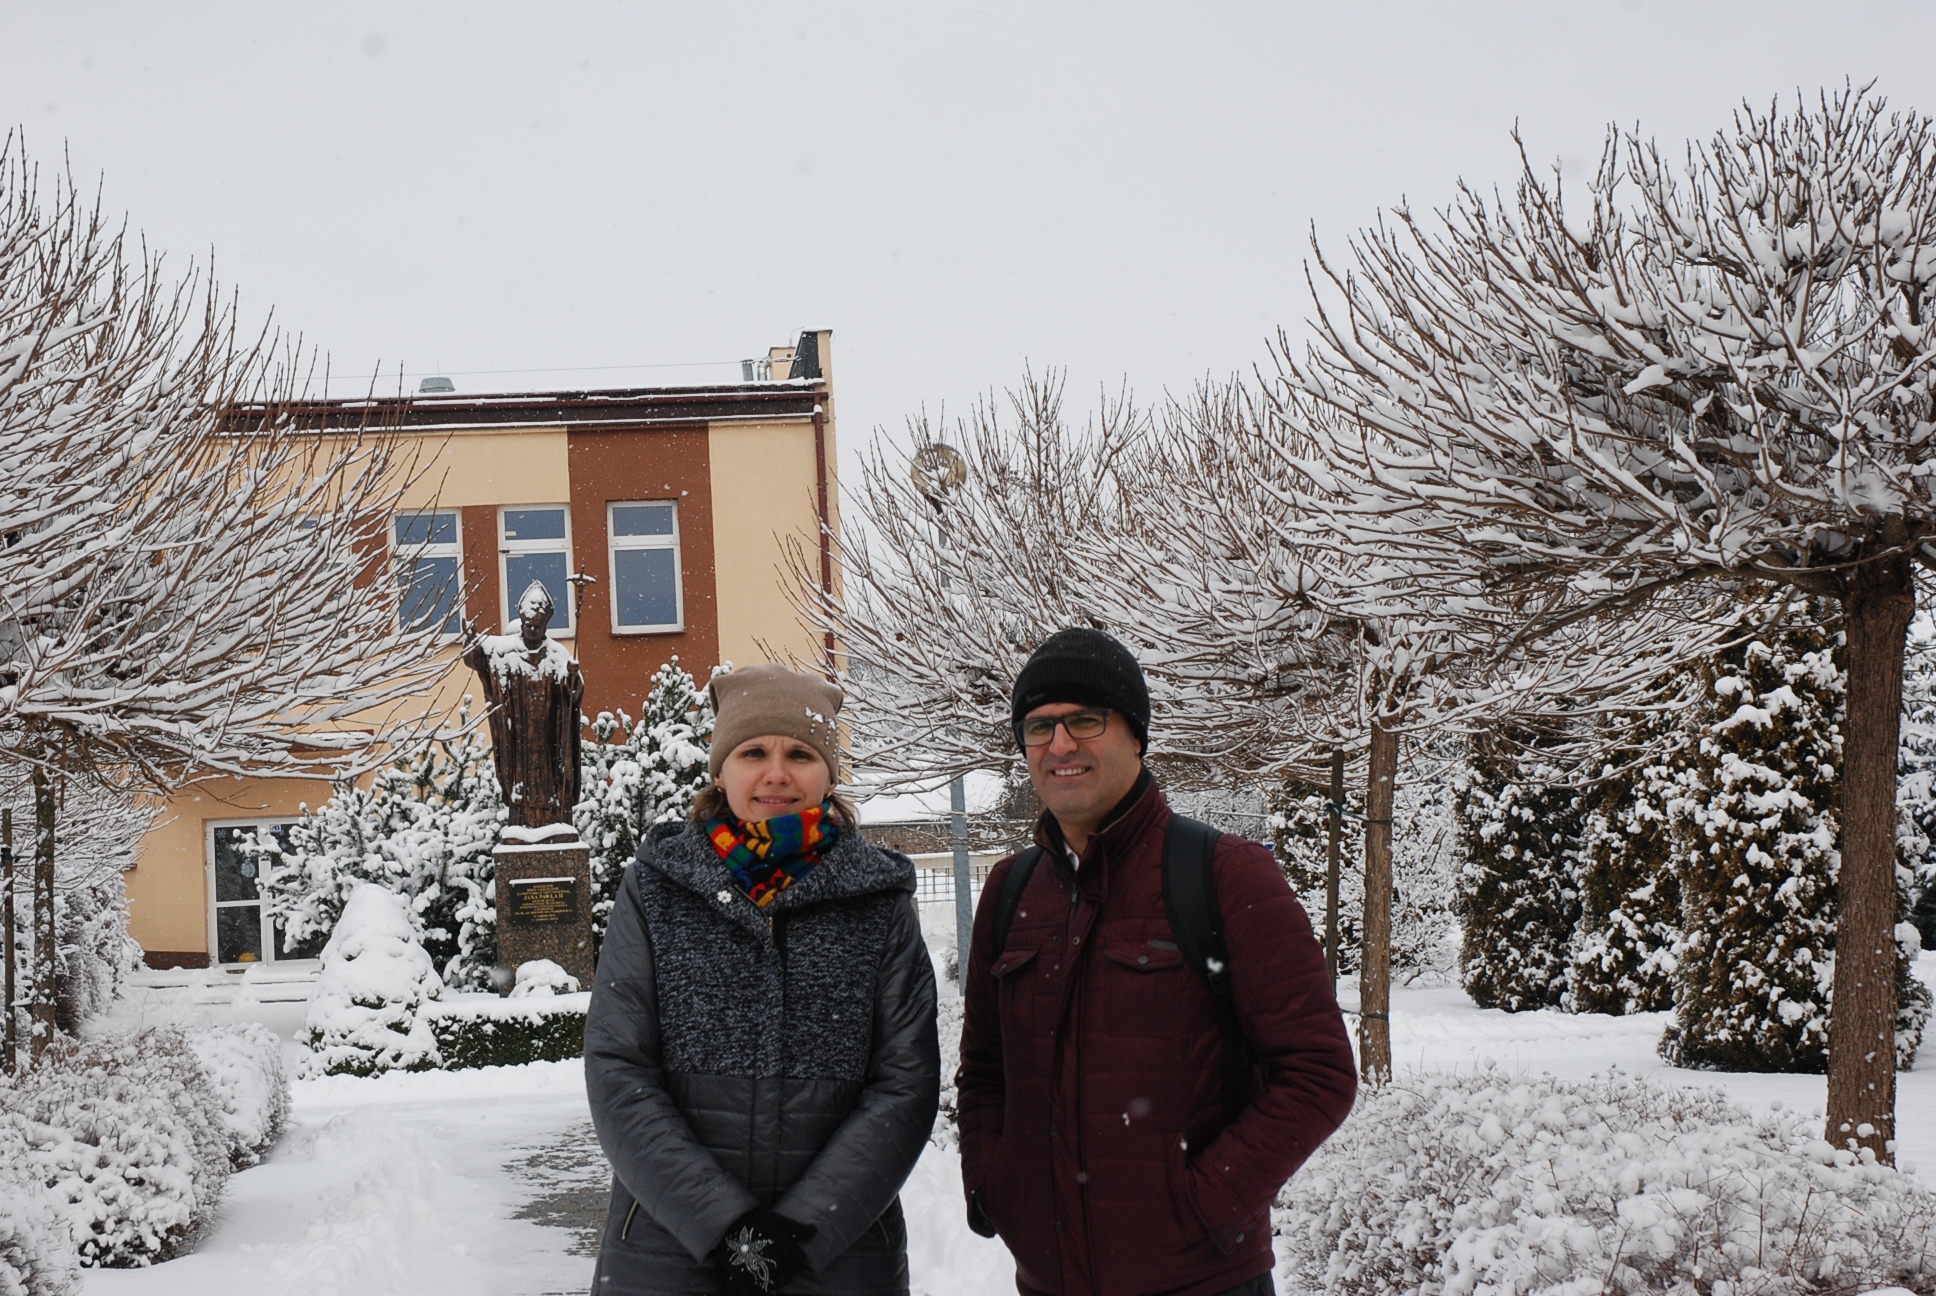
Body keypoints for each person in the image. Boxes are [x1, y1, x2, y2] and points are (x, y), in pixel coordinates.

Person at [956, 628, 1357, 1296]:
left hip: (1202, 1282)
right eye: (1039, 727)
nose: (1060, 745)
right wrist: (994, 1186)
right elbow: (985, 1070)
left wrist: (1204, 1205)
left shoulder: (1224, 873)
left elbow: (1317, 1072)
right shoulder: (1011, 891)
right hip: (1049, 1281)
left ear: (1136, 736)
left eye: (1085, 720)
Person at [586, 663, 940, 1296]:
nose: (777, 773)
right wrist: (723, 1226)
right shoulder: (656, 889)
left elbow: (904, 1083)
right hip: (667, 1256)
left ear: (829, 775)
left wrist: (802, 1231)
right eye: (753, 752)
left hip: (839, 1257)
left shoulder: (879, 901)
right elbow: (619, 1071)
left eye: (800, 754)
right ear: (721, 771)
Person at [463, 579, 586, 829]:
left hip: (549, 734)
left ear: (545, 627)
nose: (531, 630)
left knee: (553, 778)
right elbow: (476, 658)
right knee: (520, 779)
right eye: (528, 625)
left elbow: (573, 695)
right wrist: (472, 639)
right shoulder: (504, 650)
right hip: (518, 734)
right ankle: (523, 823)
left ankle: (555, 822)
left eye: (536, 626)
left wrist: (572, 678)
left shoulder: (557, 654)